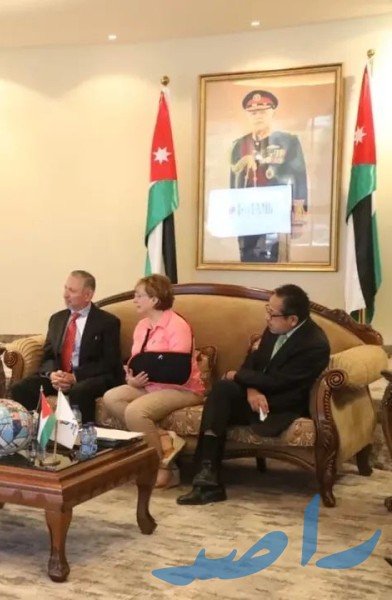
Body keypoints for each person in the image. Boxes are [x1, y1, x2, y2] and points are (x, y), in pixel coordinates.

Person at [178, 284, 330, 505]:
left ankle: (207, 479)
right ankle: (207, 479)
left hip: (278, 405)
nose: (267, 317)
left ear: (292, 320)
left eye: (272, 313)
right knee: (222, 391)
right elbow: (252, 363)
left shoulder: (315, 345)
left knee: (222, 396)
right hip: (258, 395)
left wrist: (237, 376)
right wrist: (251, 390)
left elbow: (280, 382)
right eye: (267, 310)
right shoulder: (275, 327)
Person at [101, 275, 205, 489]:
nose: (134, 300)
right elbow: (137, 362)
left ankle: (161, 467)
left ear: (155, 300)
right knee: (111, 397)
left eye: (139, 296)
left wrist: (148, 376)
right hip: (148, 386)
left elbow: (177, 370)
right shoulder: (142, 326)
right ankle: (165, 438)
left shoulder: (177, 325)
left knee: (135, 412)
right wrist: (131, 379)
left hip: (182, 389)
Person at [10, 270, 121, 423]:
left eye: (72, 291)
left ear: (87, 295)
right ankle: (34, 431)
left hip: (90, 377)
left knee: (80, 391)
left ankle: (82, 435)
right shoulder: (57, 319)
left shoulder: (108, 322)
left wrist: (75, 377)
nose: (65, 295)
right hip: (59, 375)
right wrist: (52, 374)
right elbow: (48, 355)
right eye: (65, 288)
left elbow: (109, 362)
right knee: (21, 388)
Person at [230, 89, 309, 263]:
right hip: (247, 214)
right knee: (247, 260)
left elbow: (299, 177)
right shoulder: (239, 145)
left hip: (277, 212)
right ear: (247, 115)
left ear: (273, 113)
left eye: (263, 112)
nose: (258, 116)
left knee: (276, 260)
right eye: (253, 113)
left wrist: (298, 217)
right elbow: (233, 182)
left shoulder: (287, 141)